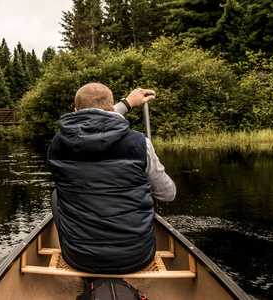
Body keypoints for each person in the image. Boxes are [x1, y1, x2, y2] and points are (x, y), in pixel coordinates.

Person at [47, 83, 176, 274]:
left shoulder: (57, 145)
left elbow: (94, 124)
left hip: (78, 258)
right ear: (112, 109)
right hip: (138, 256)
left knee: (57, 195)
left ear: (75, 111)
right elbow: (168, 194)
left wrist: (127, 103)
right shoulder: (140, 143)